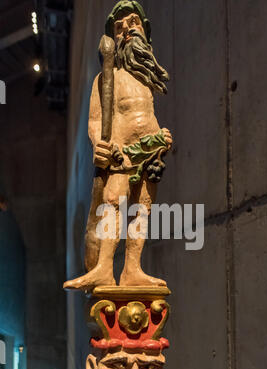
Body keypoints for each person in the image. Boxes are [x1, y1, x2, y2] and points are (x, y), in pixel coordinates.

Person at [64, 1, 172, 292]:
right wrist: (100, 144)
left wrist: (162, 135)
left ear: (144, 30)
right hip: (119, 153)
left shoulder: (146, 78)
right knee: (112, 203)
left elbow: (146, 115)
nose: (126, 31)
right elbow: (96, 120)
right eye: (119, 27)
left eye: (133, 23)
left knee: (142, 209)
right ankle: (103, 268)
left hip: (151, 151)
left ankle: (132, 269)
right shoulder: (105, 79)